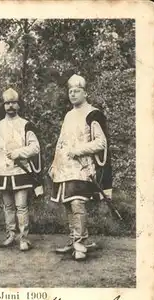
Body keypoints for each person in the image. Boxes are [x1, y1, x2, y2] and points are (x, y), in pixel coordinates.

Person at [49, 74, 112, 261]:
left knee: (77, 203)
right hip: (65, 168)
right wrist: (54, 164)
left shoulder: (93, 113)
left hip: (83, 167)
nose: (73, 94)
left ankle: (81, 243)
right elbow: (61, 142)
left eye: (77, 91)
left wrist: (78, 150)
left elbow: (101, 143)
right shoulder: (68, 115)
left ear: (85, 93)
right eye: (70, 91)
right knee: (69, 203)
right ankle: (74, 239)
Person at [0, 88, 42, 251]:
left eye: (13, 103)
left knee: (21, 206)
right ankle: (11, 234)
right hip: (3, 172)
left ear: (18, 105)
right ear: (3, 105)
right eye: (7, 103)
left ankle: (23, 238)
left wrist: (18, 152)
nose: (10, 106)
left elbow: (35, 147)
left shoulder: (26, 125)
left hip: (21, 172)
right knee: (8, 206)